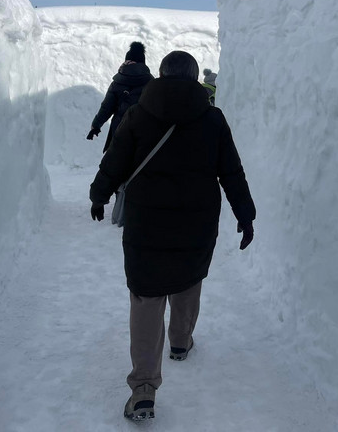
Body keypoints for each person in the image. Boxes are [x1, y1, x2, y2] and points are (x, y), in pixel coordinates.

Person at [89, 50, 256, 422]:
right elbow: (231, 171)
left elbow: (114, 161)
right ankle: (180, 343)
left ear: (161, 75)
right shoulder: (212, 119)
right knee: (187, 280)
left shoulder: (138, 113)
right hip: (196, 224)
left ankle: (144, 389)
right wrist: (245, 214)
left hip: (146, 223)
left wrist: (99, 195)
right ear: (196, 79)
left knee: (146, 297)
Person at [87, 41, 153, 152]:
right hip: (143, 132)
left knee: (117, 163)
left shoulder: (118, 82)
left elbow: (106, 107)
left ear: (127, 61)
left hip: (120, 129)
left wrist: (96, 125)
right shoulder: (151, 82)